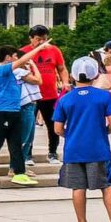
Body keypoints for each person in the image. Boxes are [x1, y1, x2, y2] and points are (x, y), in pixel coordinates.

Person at [52, 57, 111, 222]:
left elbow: (57, 128)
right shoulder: (104, 96)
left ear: (73, 76)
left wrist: (70, 135)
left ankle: (82, 220)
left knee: (78, 187)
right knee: (107, 185)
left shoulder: (64, 99)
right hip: (98, 149)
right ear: (95, 75)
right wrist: (103, 132)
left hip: (74, 149)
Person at [0, 45, 42, 186]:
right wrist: (40, 48)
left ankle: (19, 173)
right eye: (15, 56)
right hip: (0, 111)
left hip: (14, 110)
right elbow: (24, 59)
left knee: (15, 143)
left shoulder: (14, 72)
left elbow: (35, 78)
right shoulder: (0, 69)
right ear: (8, 57)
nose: (18, 59)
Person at [22, 24, 71, 164]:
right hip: (31, 96)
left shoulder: (54, 50)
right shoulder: (23, 52)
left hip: (50, 95)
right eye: (38, 39)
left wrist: (65, 82)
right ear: (31, 38)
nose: (42, 42)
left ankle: (53, 153)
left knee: (53, 125)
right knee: (28, 126)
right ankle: (27, 154)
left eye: (44, 39)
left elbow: (62, 68)